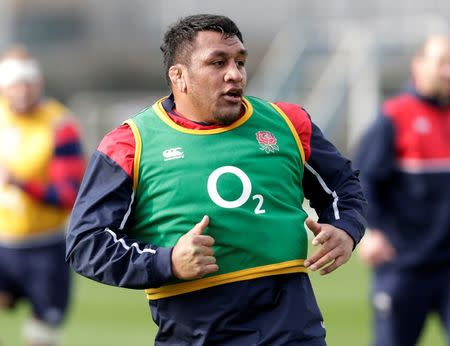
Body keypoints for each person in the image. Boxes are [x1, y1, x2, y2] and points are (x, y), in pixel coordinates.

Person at [66, 14, 366, 345]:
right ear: (178, 76)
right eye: (218, 62)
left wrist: (345, 228)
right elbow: (87, 243)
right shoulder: (130, 144)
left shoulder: (288, 123)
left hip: (293, 333)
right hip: (195, 335)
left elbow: (343, 187)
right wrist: (169, 262)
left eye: (240, 62)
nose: (234, 74)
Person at [355, 34, 450, 346]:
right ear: (419, 66)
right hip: (403, 265)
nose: (449, 71)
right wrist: (371, 231)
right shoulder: (394, 117)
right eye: (443, 62)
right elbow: (362, 179)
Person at [0, 46, 85, 346]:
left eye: (28, 82)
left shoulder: (60, 125)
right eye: (14, 82)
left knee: (42, 337)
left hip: (44, 249)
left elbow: (68, 194)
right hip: (2, 243)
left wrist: (21, 184)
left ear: (38, 83)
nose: (22, 90)